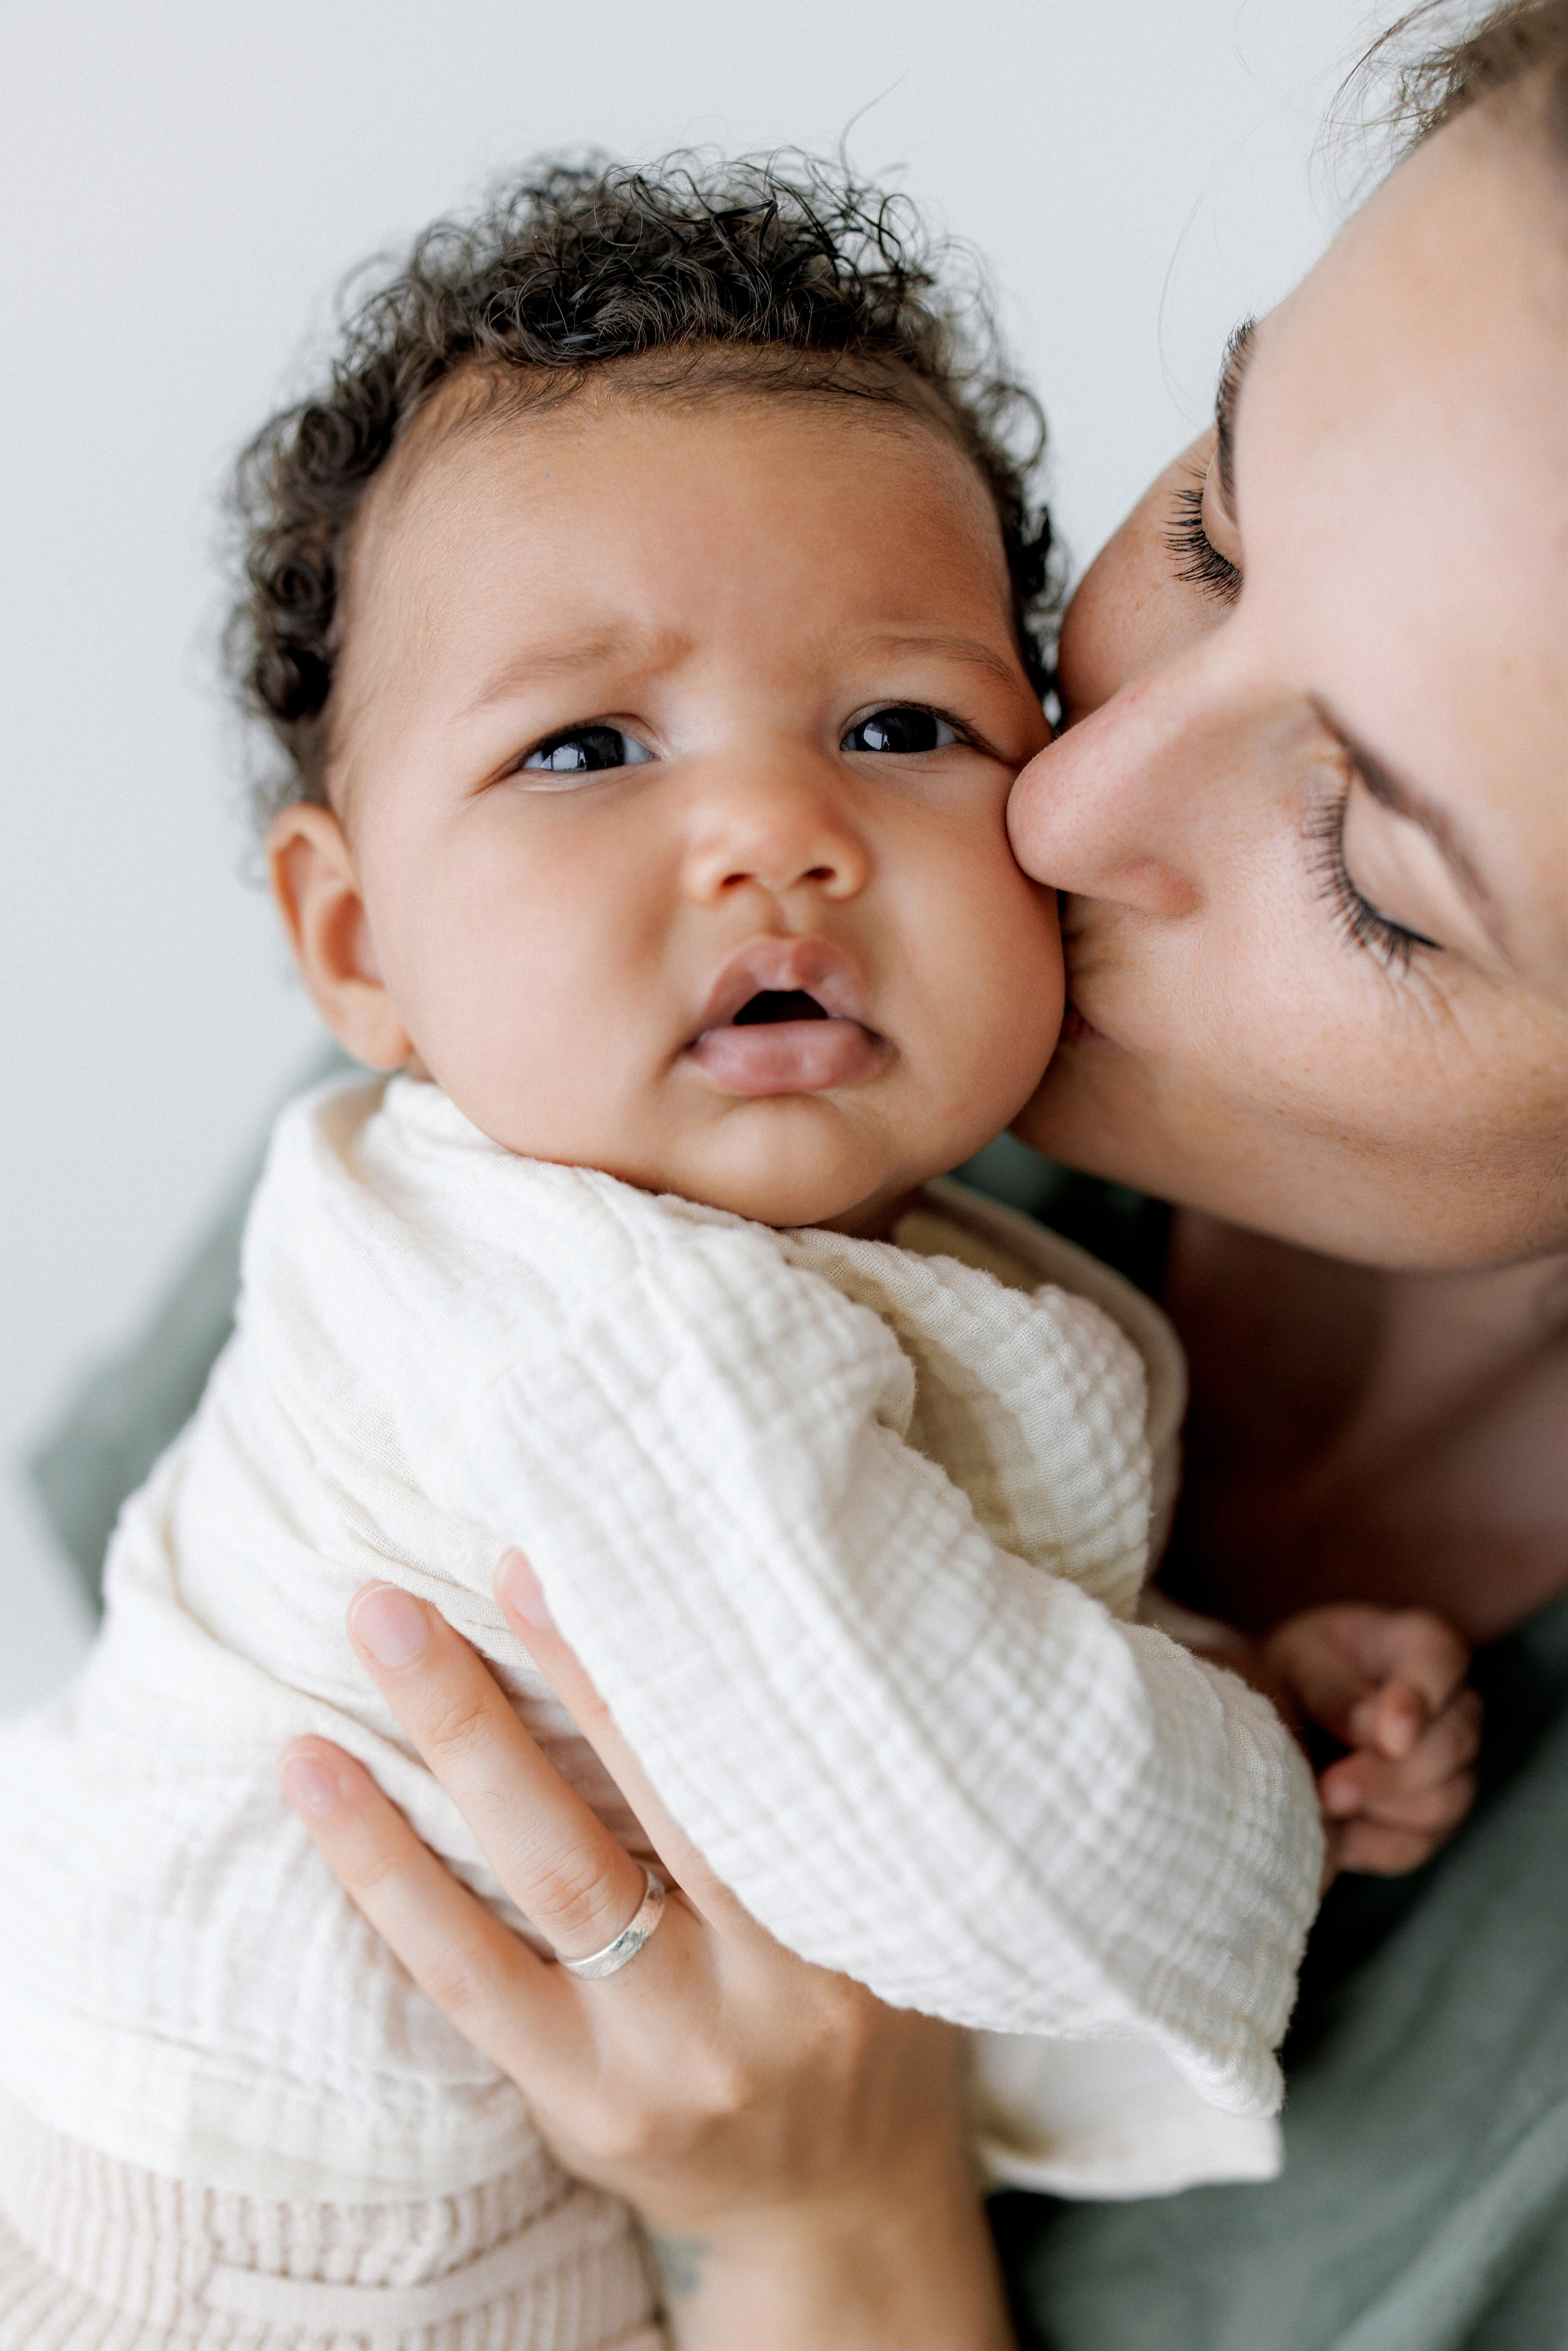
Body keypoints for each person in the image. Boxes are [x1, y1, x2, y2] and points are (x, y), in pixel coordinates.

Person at [4, 153, 1461, 2351]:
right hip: (255, 2234)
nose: (779, 829)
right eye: (587, 746)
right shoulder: (570, 1307)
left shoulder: (725, 1200)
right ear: (355, 941)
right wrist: (1249, 1759)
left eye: (898, 727)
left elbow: (876, 1611)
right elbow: (945, 1779)